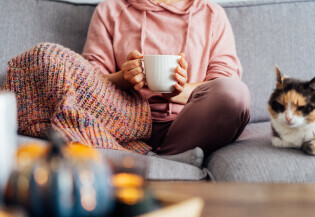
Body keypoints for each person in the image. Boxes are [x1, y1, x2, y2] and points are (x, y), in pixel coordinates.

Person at [82, 0, 251, 157]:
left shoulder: (211, 14)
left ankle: (164, 160)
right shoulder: (110, 10)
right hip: (126, 122)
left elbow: (223, 80)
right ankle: (175, 160)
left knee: (235, 92)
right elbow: (87, 81)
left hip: (190, 124)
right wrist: (123, 78)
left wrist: (177, 91)